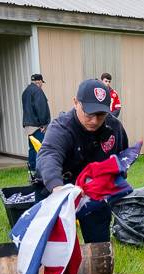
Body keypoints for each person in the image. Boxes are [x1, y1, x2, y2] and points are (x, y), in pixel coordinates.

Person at [36, 78, 129, 242]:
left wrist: (114, 181)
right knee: (55, 250)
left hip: (94, 194)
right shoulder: (61, 127)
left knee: (99, 245)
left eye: (101, 115)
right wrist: (58, 189)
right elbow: (49, 155)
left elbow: (122, 157)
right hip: (58, 191)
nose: (94, 121)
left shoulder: (114, 127)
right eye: (89, 114)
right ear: (75, 102)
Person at [21, 72, 50, 173]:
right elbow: (41, 108)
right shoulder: (38, 91)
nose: (42, 84)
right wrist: (44, 124)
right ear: (39, 81)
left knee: (32, 148)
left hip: (28, 125)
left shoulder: (26, 91)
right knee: (40, 148)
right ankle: (40, 170)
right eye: (42, 82)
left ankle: (32, 168)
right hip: (37, 125)